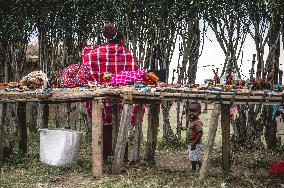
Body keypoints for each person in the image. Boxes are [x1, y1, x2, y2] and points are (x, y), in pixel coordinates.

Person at [61, 24, 145, 158]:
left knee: (104, 125)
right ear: (121, 39)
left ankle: (104, 155)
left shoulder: (92, 54)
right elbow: (134, 76)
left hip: (99, 99)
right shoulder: (127, 54)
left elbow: (83, 76)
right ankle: (122, 154)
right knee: (120, 122)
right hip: (121, 99)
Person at [185, 102, 203, 172]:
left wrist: (194, 143)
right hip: (190, 142)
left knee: (192, 157)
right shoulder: (191, 121)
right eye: (190, 111)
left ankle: (193, 169)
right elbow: (191, 129)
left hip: (195, 143)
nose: (191, 113)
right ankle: (200, 164)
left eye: (194, 111)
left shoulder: (197, 122)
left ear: (199, 112)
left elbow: (200, 133)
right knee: (192, 155)